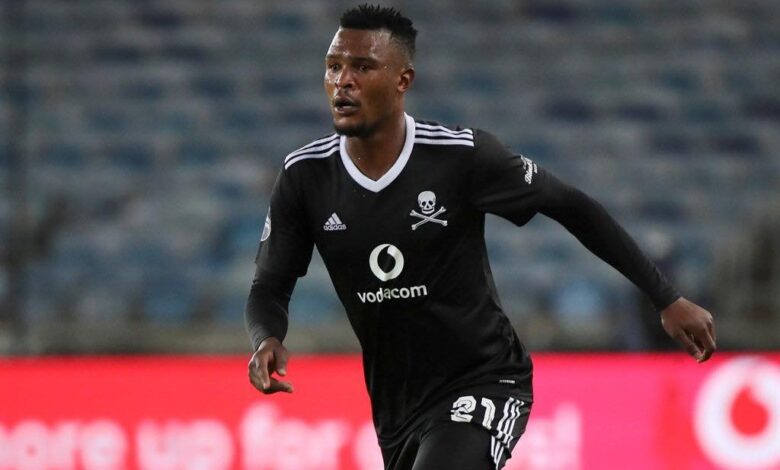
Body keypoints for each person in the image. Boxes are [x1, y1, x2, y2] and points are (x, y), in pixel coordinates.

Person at [245, 4, 716, 469]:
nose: (343, 81)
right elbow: (269, 286)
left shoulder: (460, 157)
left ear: (403, 80)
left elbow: (571, 205)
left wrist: (665, 297)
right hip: (396, 408)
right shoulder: (305, 175)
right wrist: (267, 338)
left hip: (486, 380)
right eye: (333, 66)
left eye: (362, 67)